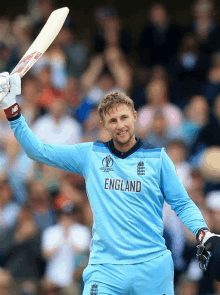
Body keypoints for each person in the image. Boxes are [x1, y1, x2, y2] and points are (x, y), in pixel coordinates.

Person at [0, 72, 219, 294]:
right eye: (112, 120)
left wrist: (203, 233)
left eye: (124, 118)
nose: (120, 125)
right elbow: (37, 150)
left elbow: (182, 203)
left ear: (134, 116)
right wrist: (11, 106)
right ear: (104, 125)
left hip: (152, 266)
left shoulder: (158, 158)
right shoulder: (91, 155)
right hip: (106, 269)